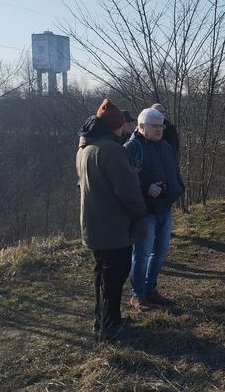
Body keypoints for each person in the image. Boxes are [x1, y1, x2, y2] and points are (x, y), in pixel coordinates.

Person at [76, 99, 147, 342]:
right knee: (114, 277)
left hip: (93, 224)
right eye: (120, 124)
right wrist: (140, 213)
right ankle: (110, 326)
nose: (123, 128)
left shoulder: (85, 149)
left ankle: (105, 319)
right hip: (113, 226)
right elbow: (128, 191)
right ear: (113, 126)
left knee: (102, 275)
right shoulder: (111, 150)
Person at [124, 108, 185, 311]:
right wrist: (145, 188)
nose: (160, 130)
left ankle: (150, 288)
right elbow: (123, 181)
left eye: (161, 126)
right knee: (141, 254)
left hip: (164, 208)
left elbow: (175, 172)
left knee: (159, 253)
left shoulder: (166, 146)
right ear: (141, 127)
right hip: (144, 211)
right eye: (155, 126)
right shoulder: (131, 148)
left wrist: (178, 188)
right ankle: (138, 294)